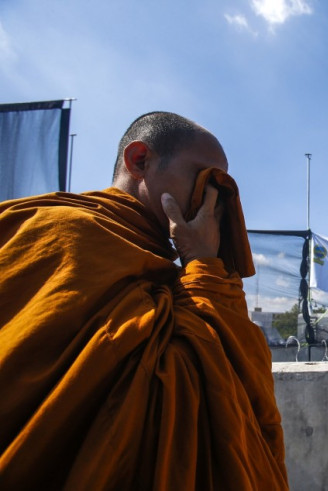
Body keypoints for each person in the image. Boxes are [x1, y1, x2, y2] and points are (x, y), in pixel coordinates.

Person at [0, 112, 288, 489]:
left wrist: (203, 270)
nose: (212, 201)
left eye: (220, 189)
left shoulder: (169, 275)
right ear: (139, 161)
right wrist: (202, 266)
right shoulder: (62, 233)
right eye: (202, 179)